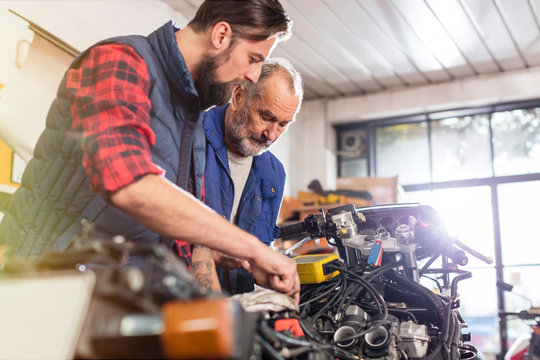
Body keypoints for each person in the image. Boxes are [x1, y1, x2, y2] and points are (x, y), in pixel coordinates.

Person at [0, 0, 300, 301]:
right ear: (220, 35)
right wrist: (253, 249)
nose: (252, 74)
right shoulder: (119, 62)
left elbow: (179, 236)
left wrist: (228, 282)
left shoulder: (192, 115)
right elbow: (131, 185)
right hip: (38, 287)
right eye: (253, 58)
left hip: (109, 299)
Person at [196, 57, 302, 294]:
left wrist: (274, 275)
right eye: (266, 117)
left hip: (238, 308)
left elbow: (258, 252)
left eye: (283, 124)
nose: (272, 135)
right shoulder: (190, 140)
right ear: (238, 97)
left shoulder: (273, 174)